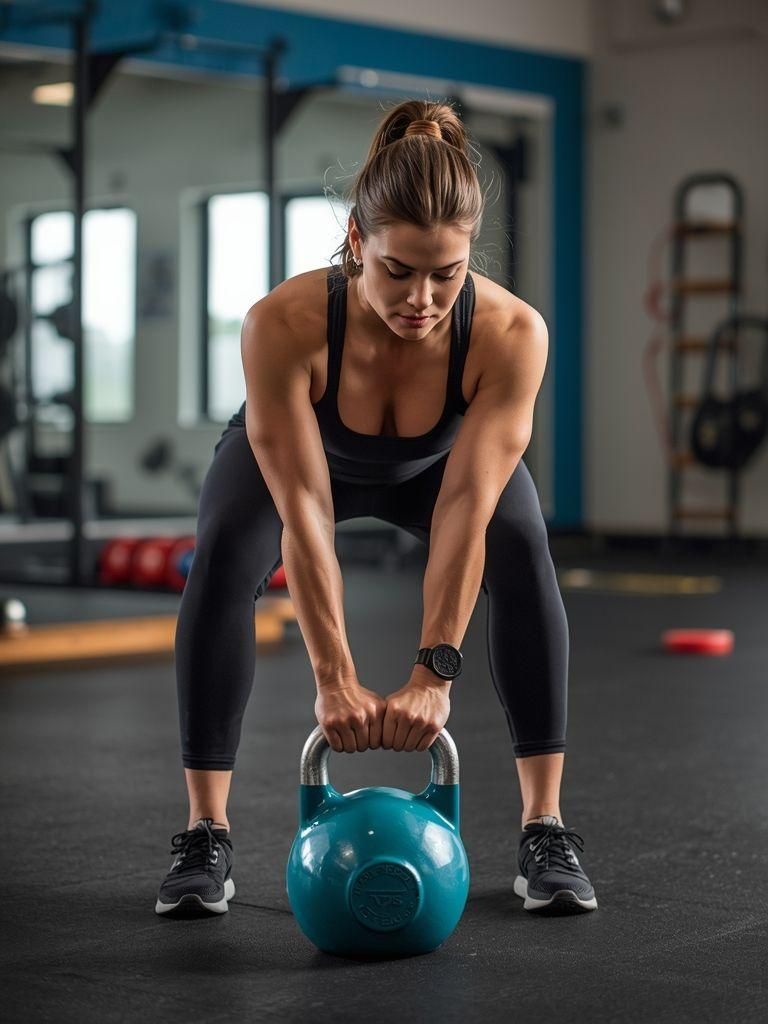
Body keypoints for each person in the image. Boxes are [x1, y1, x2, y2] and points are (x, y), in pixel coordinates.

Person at [155, 100, 597, 919]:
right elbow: (305, 512)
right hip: (304, 458)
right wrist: (334, 677)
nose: (422, 299)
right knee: (222, 549)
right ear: (358, 240)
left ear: (471, 258)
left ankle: (546, 826)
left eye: (447, 274)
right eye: (398, 271)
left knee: (523, 546)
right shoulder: (282, 324)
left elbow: (465, 505)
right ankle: (203, 833)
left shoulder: (509, 333)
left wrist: (434, 672)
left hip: (439, 468)